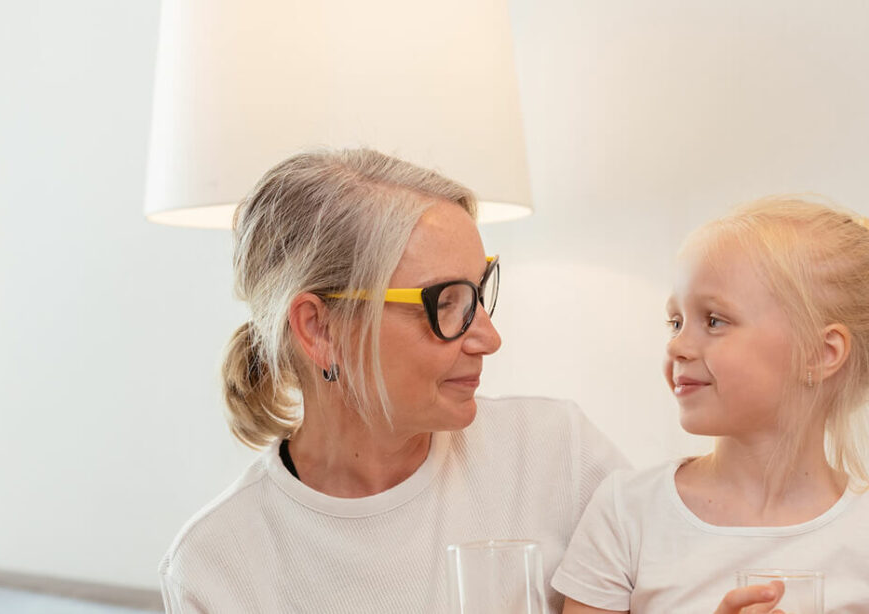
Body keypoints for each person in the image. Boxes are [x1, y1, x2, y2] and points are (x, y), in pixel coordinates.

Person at [158, 148, 628, 613]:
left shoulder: (557, 456)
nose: (489, 338)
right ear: (319, 329)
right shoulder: (214, 568)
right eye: (446, 303)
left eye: (479, 292)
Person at [553, 197, 869, 613]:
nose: (677, 346)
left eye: (715, 321)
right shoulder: (627, 511)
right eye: (675, 322)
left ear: (819, 354)